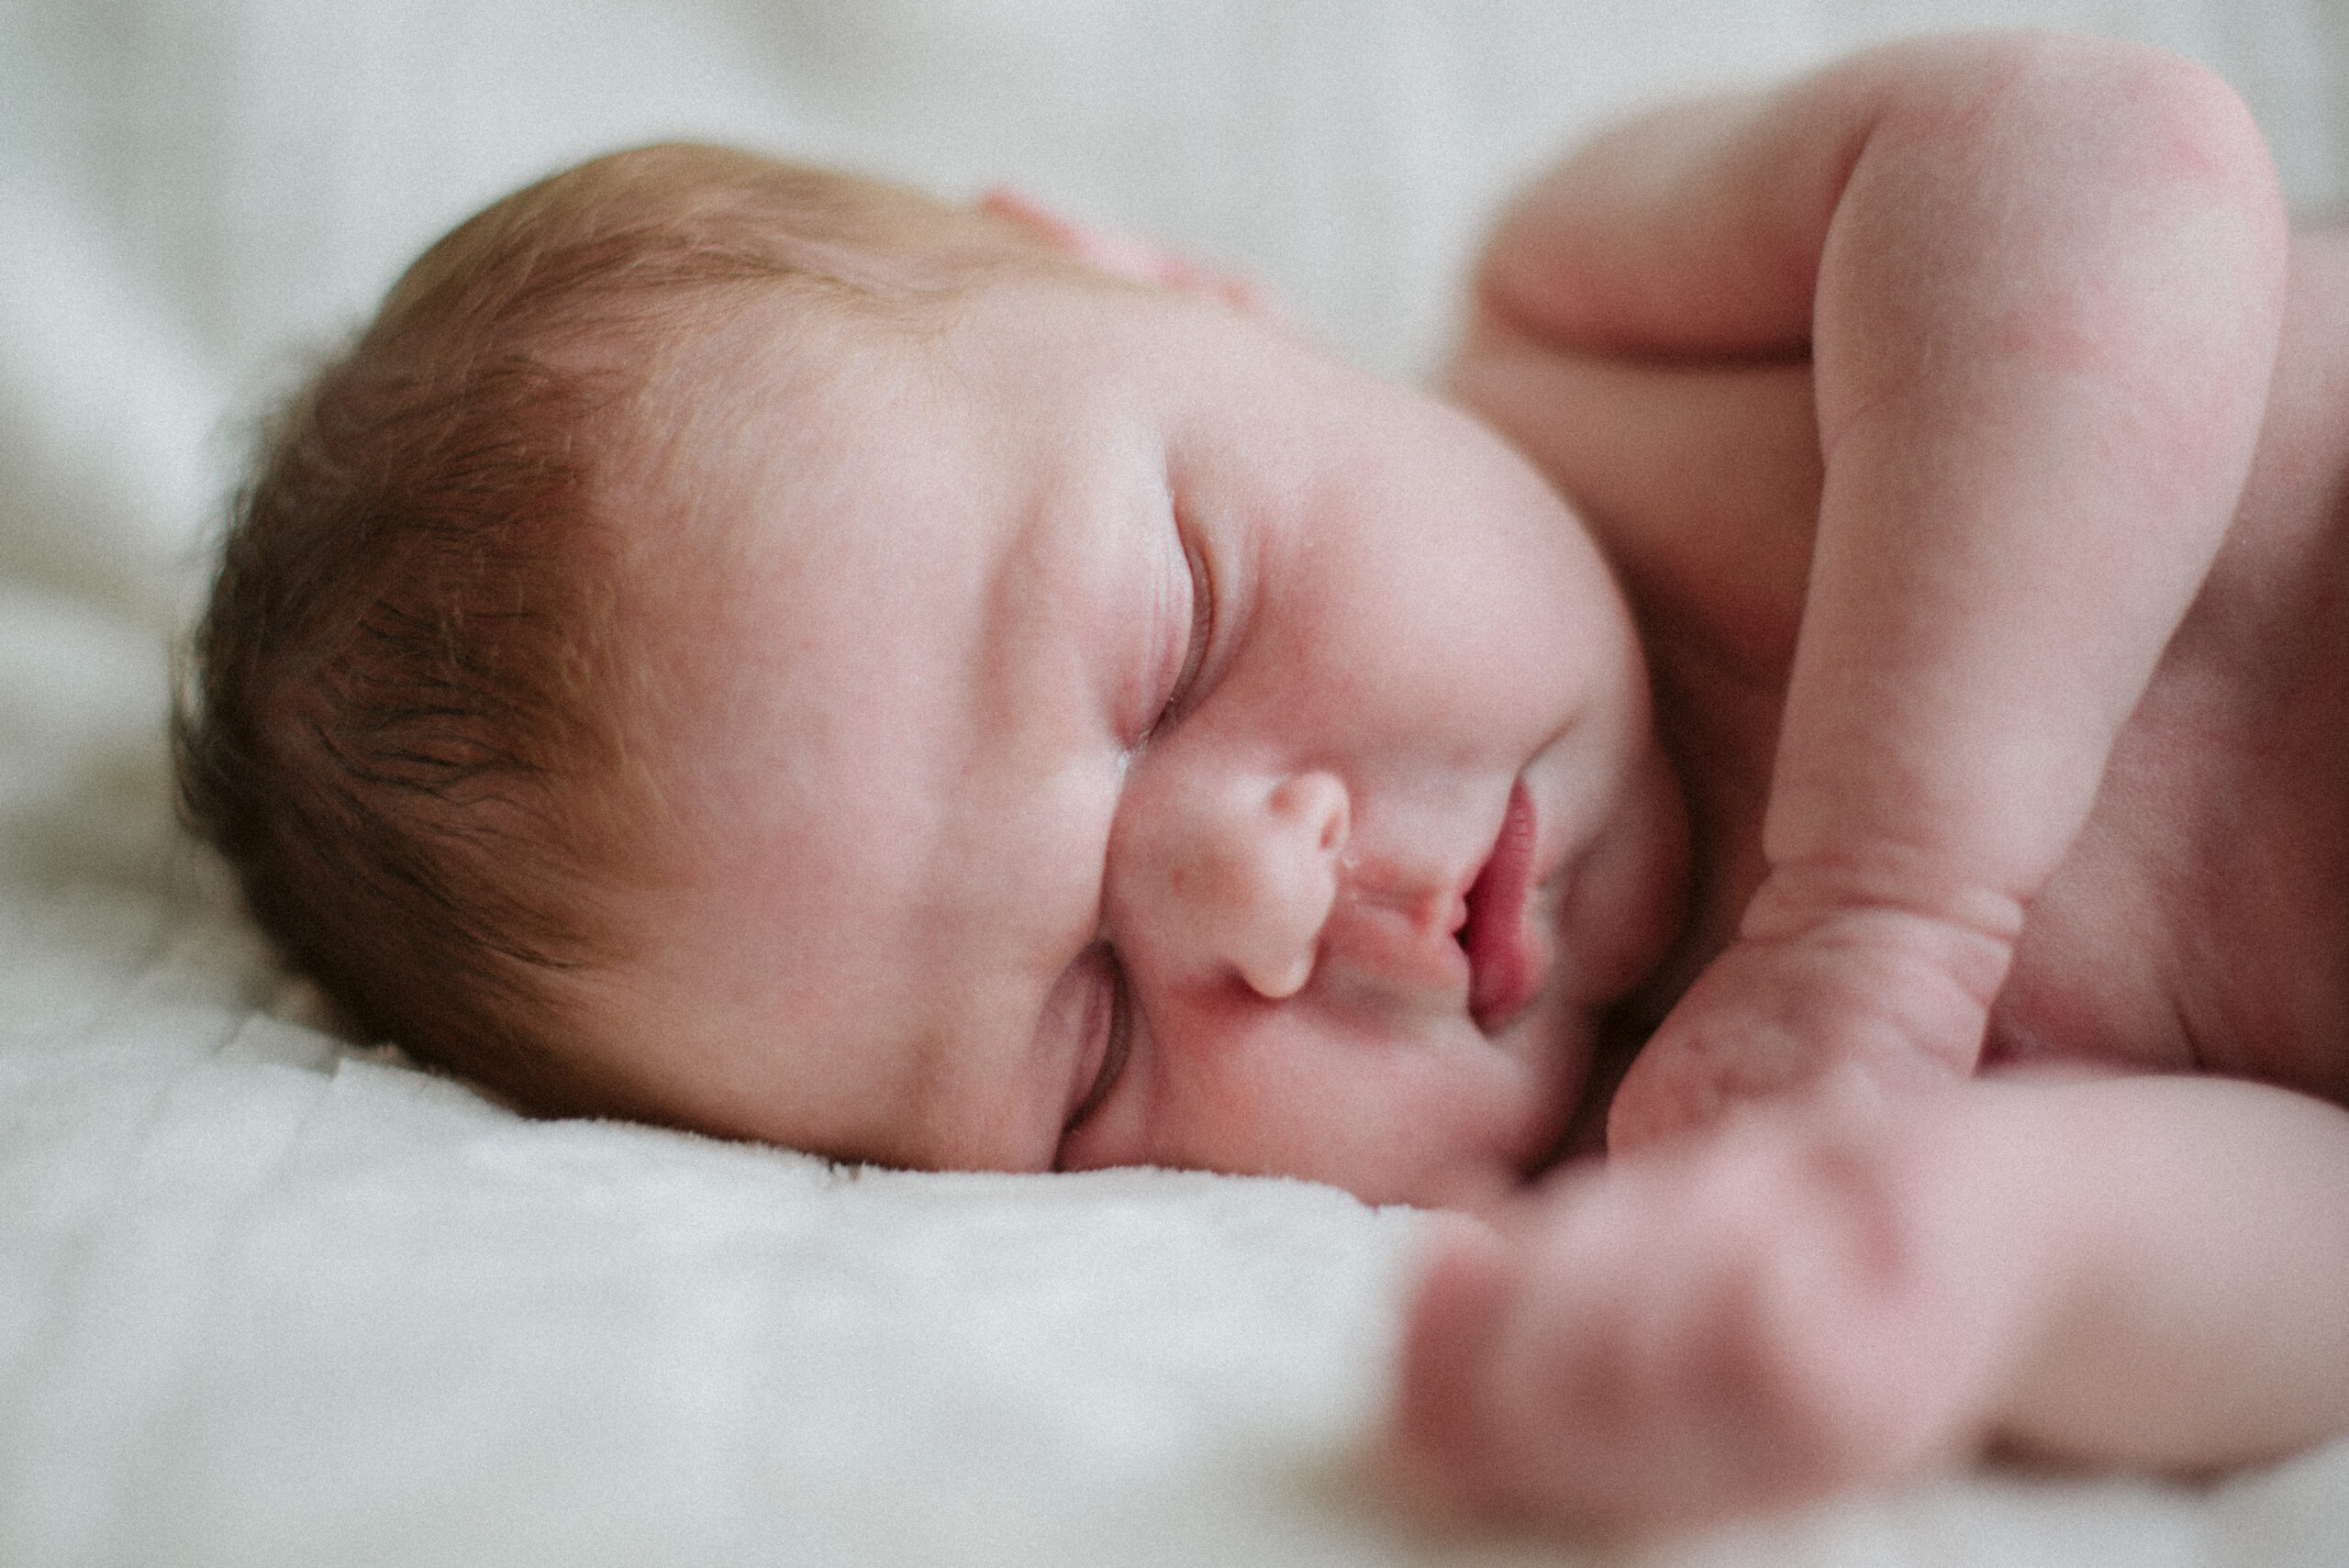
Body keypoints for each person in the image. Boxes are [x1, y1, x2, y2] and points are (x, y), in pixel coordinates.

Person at [173, 28, 2349, 1537]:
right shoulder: (1672, 1144)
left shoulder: (1581, 309)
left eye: (1178, 639)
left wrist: (1887, 904)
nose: (1267, 906)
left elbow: (2116, 160)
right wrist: (1972, 1257)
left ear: (1165, 285)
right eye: (1089, 1044)